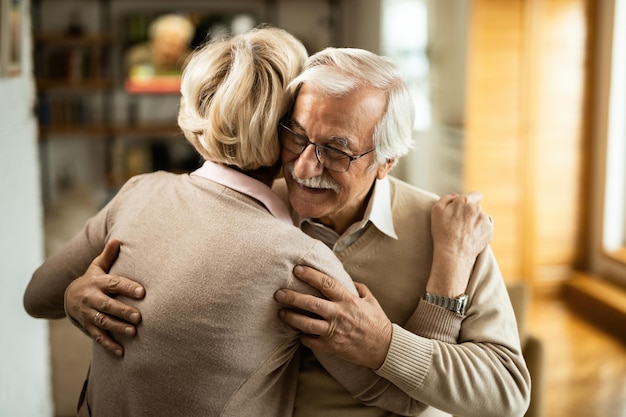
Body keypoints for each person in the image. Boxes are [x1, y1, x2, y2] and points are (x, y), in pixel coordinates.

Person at [27, 46, 530, 417]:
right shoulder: (247, 210)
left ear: (386, 161)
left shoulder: (449, 239)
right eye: (296, 134)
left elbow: (506, 394)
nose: (306, 166)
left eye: (337, 149)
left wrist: (388, 339)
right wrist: (74, 294)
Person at [125, 13, 195, 78]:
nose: (167, 50)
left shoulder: (191, 63)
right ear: (153, 41)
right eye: (163, 43)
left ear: (184, 48)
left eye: (174, 45)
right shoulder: (137, 58)